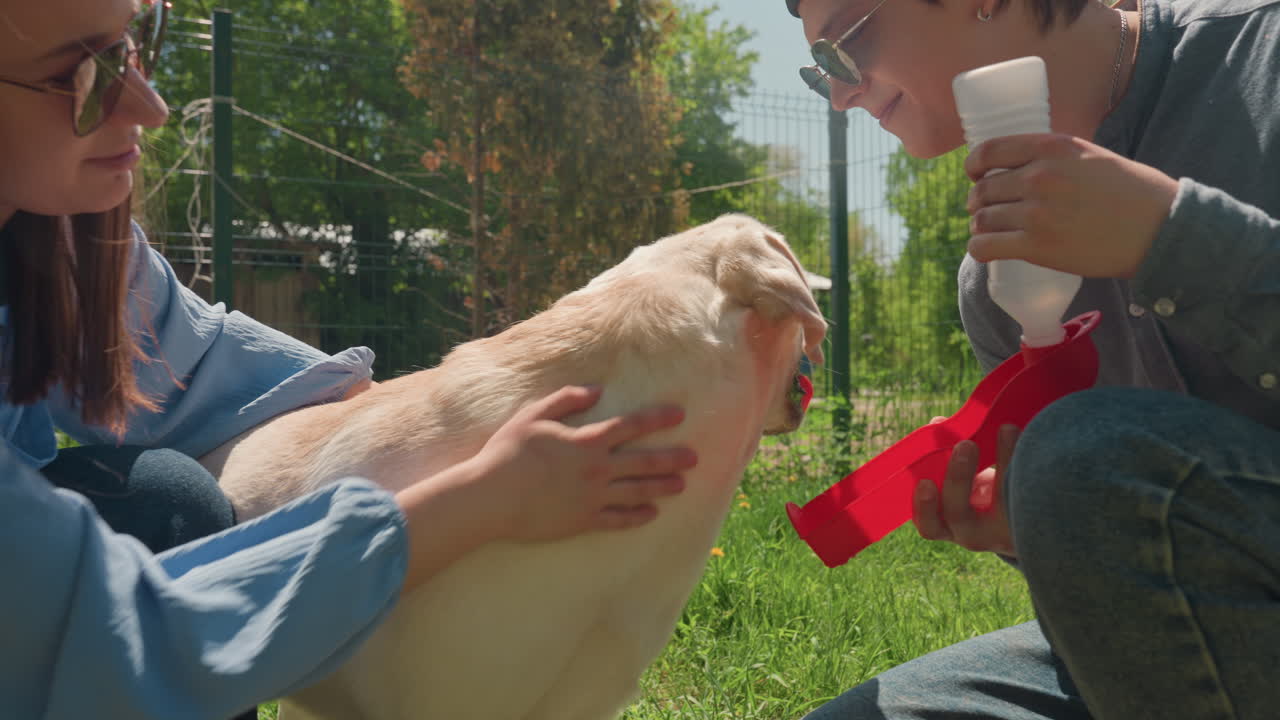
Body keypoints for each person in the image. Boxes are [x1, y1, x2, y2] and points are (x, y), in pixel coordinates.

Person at [0, 1, 700, 718]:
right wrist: (477, 503)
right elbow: (136, 635)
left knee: (162, 502)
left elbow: (194, 365)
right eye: (85, 76)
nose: (150, 107)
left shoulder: (50, 237)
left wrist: (427, 421)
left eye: (137, 41)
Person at [785, 0, 1280, 717]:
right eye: (818, 72)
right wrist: (1033, 525)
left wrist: (1172, 238)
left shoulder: (1263, 57)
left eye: (844, 48)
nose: (840, 94)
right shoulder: (994, 288)